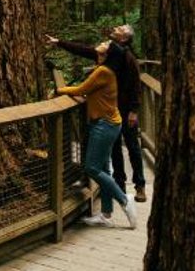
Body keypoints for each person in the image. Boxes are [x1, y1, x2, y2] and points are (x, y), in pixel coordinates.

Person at [46, 25, 147, 202]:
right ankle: (119, 186)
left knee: (132, 147)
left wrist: (134, 111)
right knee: (115, 149)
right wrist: (59, 43)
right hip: (110, 109)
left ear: (124, 38)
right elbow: (85, 51)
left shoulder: (127, 57)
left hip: (126, 109)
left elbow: (136, 85)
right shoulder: (107, 54)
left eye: (121, 28)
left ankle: (140, 186)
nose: (116, 27)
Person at [52, 42, 138, 229]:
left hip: (105, 124)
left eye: (106, 44)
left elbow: (81, 89)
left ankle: (124, 200)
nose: (102, 42)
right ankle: (106, 214)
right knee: (104, 169)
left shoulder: (103, 72)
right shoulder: (103, 69)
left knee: (92, 167)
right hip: (109, 123)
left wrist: (59, 90)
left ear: (107, 54)